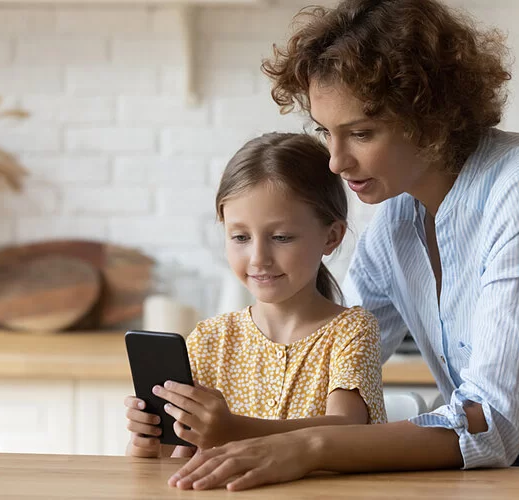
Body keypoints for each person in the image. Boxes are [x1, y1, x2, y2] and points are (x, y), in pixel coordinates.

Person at [167, 0, 519, 490]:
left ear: (430, 116)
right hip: (514, 470)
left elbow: (487, 421)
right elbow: (337, 357)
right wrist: (197, 428)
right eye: (326, 133)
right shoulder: (395, 223)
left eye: (360, 133)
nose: (335, 163)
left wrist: (308, 447)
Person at [124, 132, 387, 460]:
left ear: (331, 236)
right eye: (240, 237)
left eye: (280, 237)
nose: (258, 258)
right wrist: (145, 443)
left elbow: (347, 429)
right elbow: (175, 461)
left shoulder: (351, 330)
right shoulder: (210, 340)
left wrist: (233, 429)